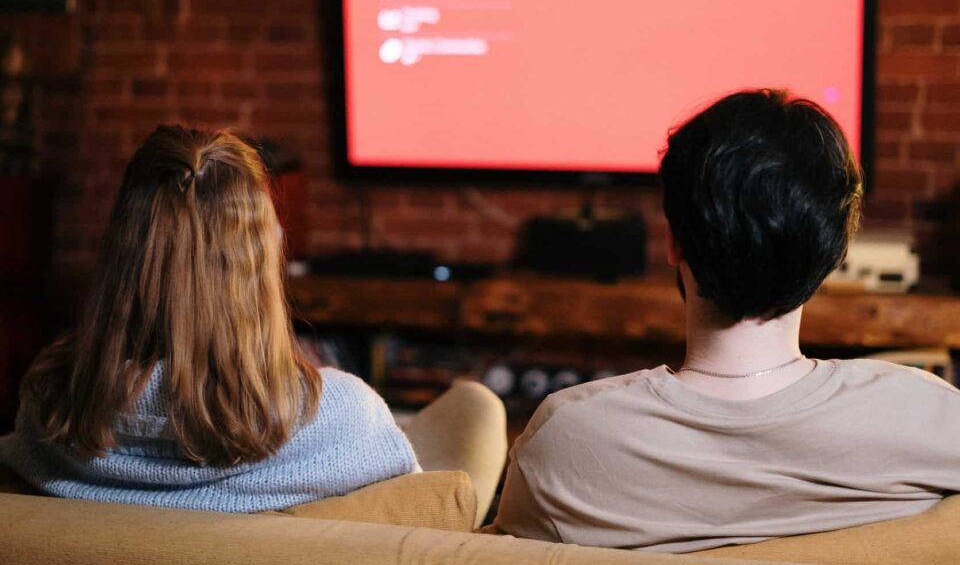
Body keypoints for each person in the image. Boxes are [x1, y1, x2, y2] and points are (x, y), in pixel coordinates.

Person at [492, 89, 960, 553]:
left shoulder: (565, 439)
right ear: (834, 253)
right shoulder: (932, 420)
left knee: (474, 409)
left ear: (675, 243)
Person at [0, 125, 419, 512]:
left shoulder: (48, 406)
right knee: (479, 411)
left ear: (121, 254)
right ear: (260, 262)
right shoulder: (340, 414)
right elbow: (418, 501)